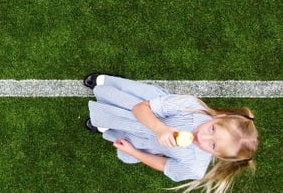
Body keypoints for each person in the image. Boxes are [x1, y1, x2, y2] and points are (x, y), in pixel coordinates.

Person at [84, 73, 258, 193]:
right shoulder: (190, 107)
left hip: (141, 139)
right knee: (120, 95)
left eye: (212, 144)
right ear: (220, 118)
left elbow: (164, 164)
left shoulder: (195, 167)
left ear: (219, 155)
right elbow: (139, 108)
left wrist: (134, 152)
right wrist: (160, 129)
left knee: (114, 124)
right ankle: (105, 82)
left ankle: (102, 124)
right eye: (212, 129)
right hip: (140, 106)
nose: (202, 136)